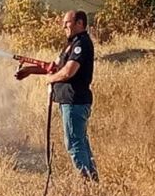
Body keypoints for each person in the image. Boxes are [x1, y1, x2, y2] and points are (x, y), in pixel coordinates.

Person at [15, 10, 98, 181]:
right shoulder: (71, 44)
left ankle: (87, 184)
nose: (63, 26)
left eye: (67, 22)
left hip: (74, 102)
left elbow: (68, 71)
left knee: (74, 144)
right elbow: (55, 67)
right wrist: (29, 70)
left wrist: (50, 79)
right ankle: (93, 183)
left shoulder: (81, 44)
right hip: (70, 102)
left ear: (79, 23)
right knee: (81, 142)